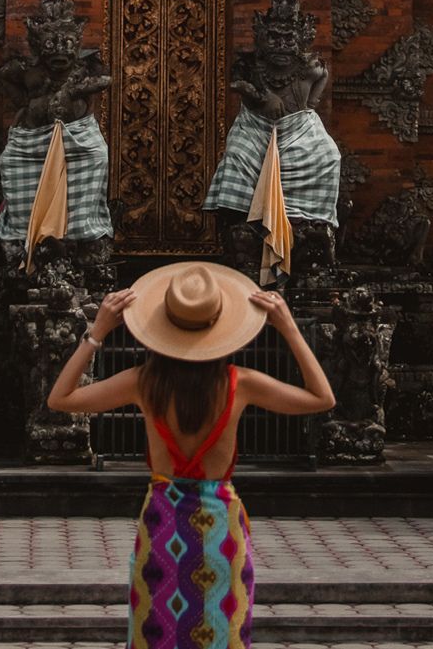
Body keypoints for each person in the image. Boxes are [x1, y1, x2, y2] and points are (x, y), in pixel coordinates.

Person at [47, 261, 335, 649]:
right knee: (221, 633)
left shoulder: (143, 382)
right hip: (220, 529)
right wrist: (288, 328)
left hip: (163, 525)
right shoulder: (241, 384)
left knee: (158, 634)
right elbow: (323, 398)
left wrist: (97, 332)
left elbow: (60, 399)